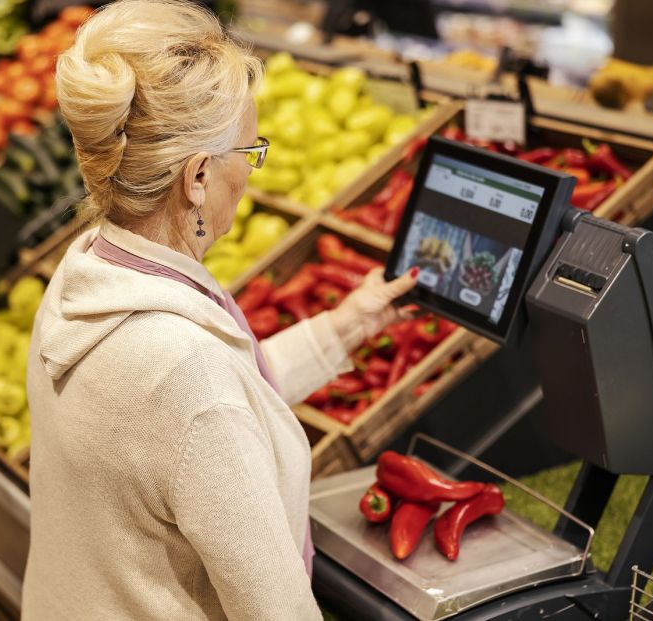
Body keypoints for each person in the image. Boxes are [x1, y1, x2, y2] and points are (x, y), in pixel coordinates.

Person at [21, 1, 418, 618]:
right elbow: (276, 609)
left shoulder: (84, 273)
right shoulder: (186, 372)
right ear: (199, 177)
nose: (251, 174)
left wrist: (349, 325)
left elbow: (195, 418)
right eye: (249, 151)